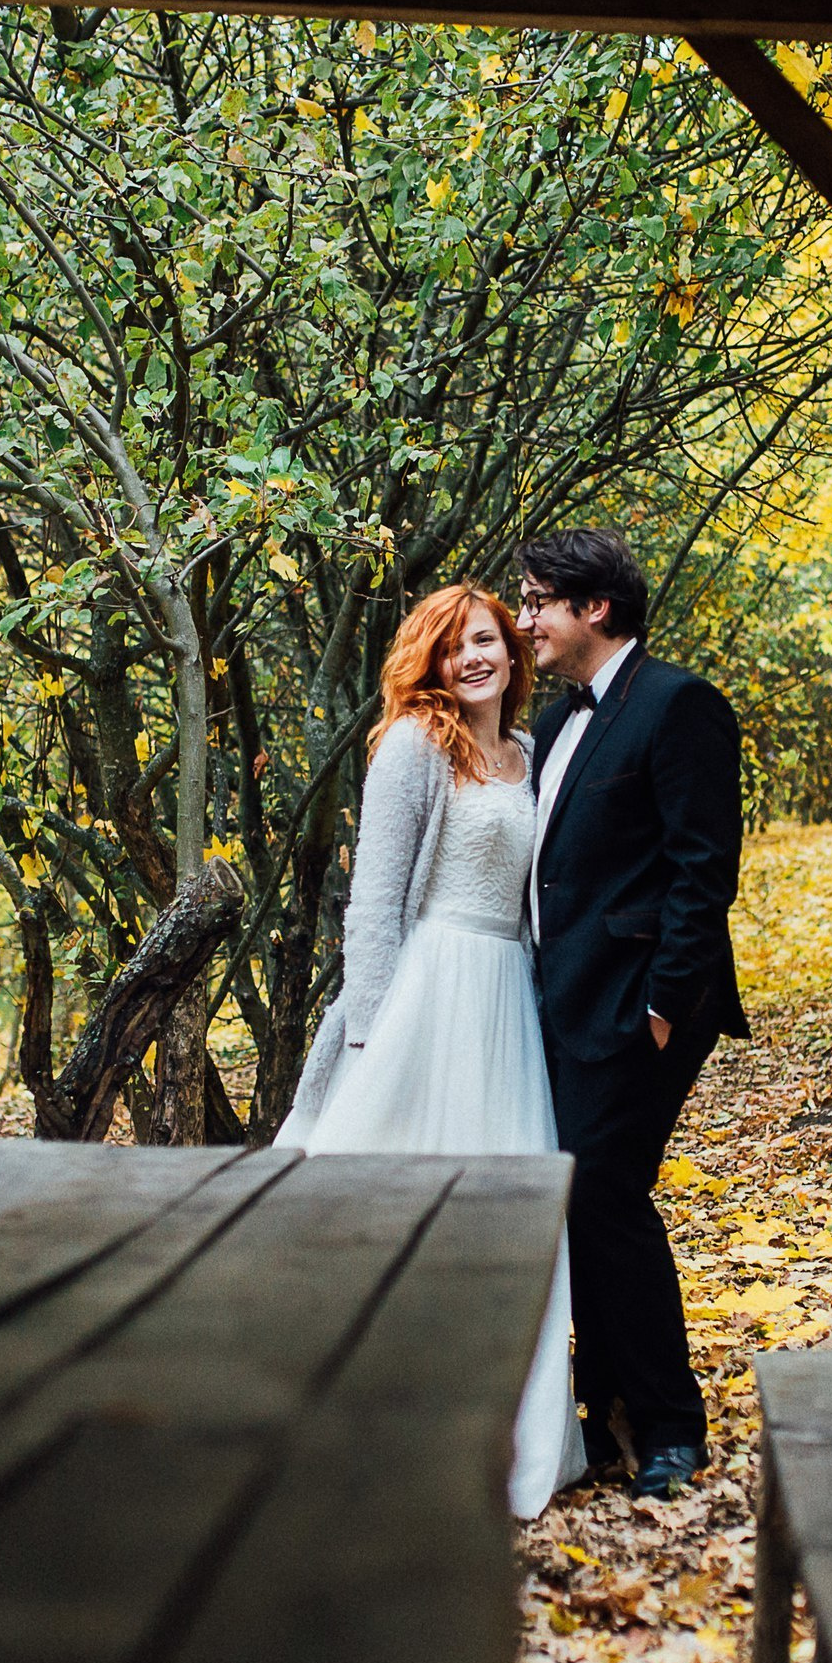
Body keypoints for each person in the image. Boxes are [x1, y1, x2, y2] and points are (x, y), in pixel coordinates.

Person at [278, 583, 588, 1518]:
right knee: (393, 1203)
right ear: (432, 661)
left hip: (507, 1003)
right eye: (455, 647)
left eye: (488, 639)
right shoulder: (414, 745)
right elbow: (372, 904)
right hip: (428, 996)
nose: (475, 659)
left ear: (512, 651)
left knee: (509, 1211)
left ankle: (500, 1436)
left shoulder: (528, 752)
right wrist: (370, 1034)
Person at [516, 528, 747, 1502]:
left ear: (593, 608)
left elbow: (705, 866)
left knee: (605, 1194)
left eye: (537, 601)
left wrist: (662, 1003)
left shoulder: (677, 702)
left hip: (641, 1002)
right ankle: (606, 1412)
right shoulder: (562, 719)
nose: (524, 620)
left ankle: (668, 1427)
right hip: (564, 999)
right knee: (584, 1198)